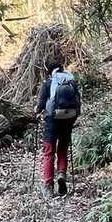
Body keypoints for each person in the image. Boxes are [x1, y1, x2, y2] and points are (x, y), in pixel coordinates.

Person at [35, 63, 81, 198]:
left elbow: (41, 104)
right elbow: (78, 103)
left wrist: (36, 110)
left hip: (52, 119)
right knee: (62, 149)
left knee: (49, 152)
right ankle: (61, 174)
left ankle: (48, 186)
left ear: (50, 72)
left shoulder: (48, 82)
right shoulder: (71, 81)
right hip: (68, 118)